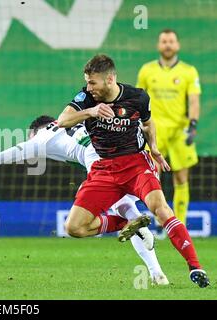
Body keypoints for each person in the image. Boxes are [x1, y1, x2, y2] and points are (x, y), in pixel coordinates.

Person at [0, 115, 169, 285]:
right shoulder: (71, 119)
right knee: (117, 199)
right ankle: (155, 271)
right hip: (132, 154)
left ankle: (136, 228)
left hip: (102, 161)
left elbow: (2, 156)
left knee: (102, 198)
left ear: (34, 132)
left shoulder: (40, 138)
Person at [56, 54, 209, 287]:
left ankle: (195, 267)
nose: (89, 87)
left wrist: (154, 147)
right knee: (74, 228)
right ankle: (124, 222)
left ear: (110, 79)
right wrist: (91, 111)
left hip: (136, 165)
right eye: (87, 82)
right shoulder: (86, 98)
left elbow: (148, 123)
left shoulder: (137, 97)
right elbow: (62, 120)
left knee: (161, 208)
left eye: (93, 82)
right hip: (104, 169)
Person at [137, 29, 201, 227]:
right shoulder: (147, 70)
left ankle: (179, 224)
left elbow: (194, 100)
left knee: (181, 176)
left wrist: (193, 124)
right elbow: (139, 99)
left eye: (171, 41)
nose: (167, 45)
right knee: (151, 175)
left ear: (177, 45)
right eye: (164, 41)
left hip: (179, 130)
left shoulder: (189, 71)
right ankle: (161, 220)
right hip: (154, 130)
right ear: (158, 45)